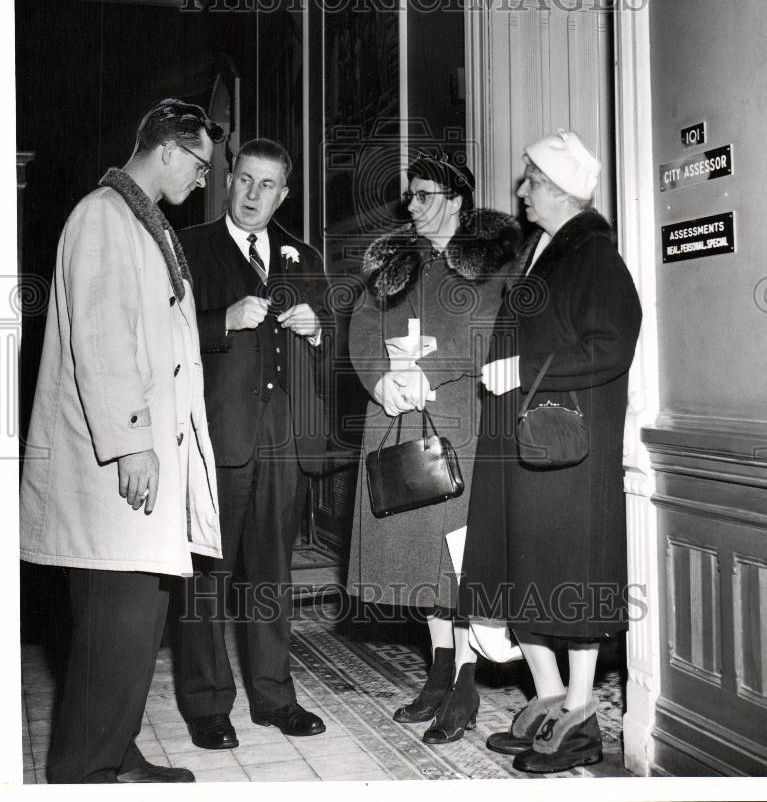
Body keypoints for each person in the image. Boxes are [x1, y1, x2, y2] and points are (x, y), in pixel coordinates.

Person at [19, 98, 225, 783]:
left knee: (133, 629)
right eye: (199, 164)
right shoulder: (102, 218)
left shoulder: (140, 221)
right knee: (115, 626)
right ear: (167, 151)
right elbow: (102, 340)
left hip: (144, 463)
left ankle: (114, 749)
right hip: (119, 464)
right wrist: (132, 444)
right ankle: (82, 772)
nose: (203, 179)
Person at [459, 129, 642, 774]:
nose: (521, 190)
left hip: (568, 453)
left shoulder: (593, 256)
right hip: (527, 446)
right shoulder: (543, 250)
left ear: (561, 189)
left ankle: (584, 717)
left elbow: (612, 345)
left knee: (570, 577)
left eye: (531, 180)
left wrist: (524, 368)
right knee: (524, 570)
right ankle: (550, 697)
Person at [347, 149, 521, 743]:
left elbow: (503, 332)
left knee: (460, 553)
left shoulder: (497, 259)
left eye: (423, 195)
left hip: (464, 419)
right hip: (399, 414)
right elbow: (364, 324)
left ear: (455, 197)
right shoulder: (394, 259)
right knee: (423, 554)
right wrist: (381, 376)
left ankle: (467, 678)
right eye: (409, 195)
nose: (411, 206)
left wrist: (433, 367)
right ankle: (440, 668)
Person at [177, 138, 329, 749]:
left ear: (283, 194)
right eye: (244, 180)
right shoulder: (189, 249)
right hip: (218, 436)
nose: (253, 195)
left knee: (271, 574)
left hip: (283, 441)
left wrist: (319, 329)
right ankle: (209, 705)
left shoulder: (305, 256)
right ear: (228, 179)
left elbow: (333, 342)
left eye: (267, 186)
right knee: (206, 575)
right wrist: (220, 322)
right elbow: (159, 335)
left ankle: (273, 697)